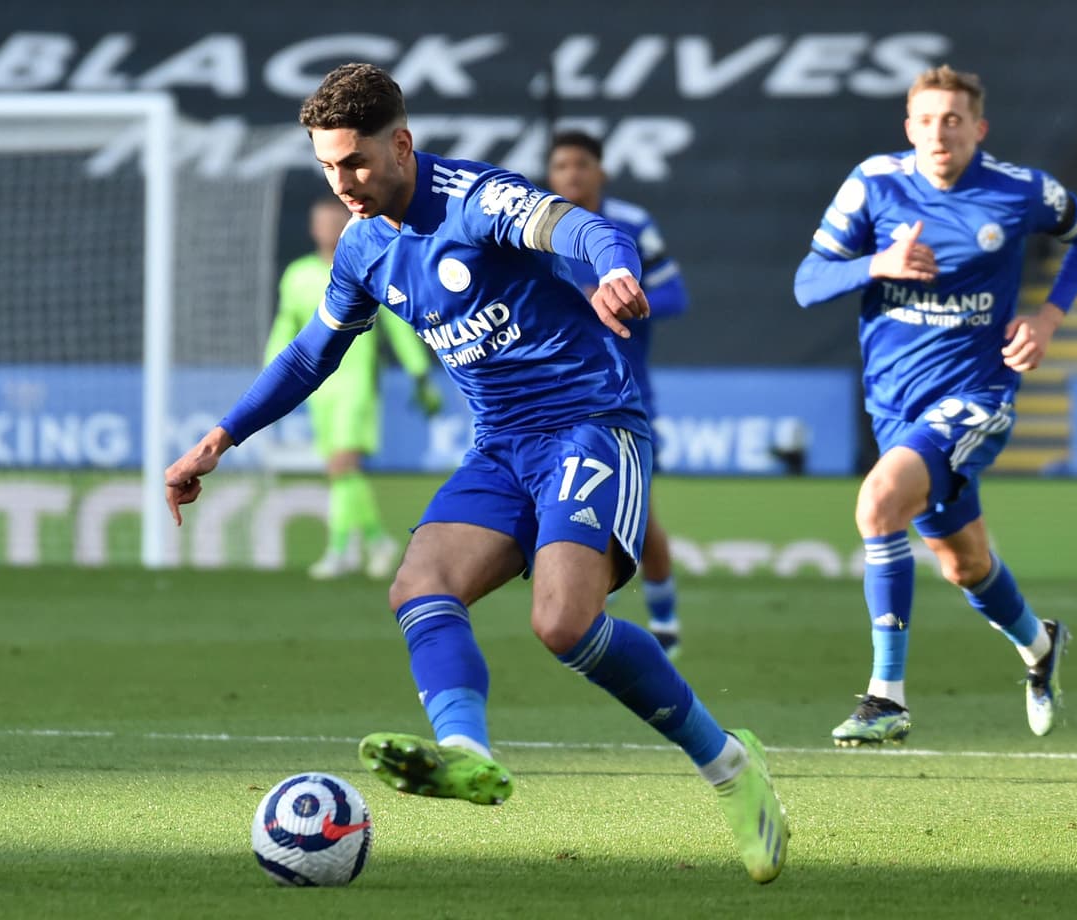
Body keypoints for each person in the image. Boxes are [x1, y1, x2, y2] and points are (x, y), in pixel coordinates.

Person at [165, 62, 787, 883]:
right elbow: (313, 353)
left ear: (402, 144)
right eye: (327, 165)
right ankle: (465, 753)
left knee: (563, 625)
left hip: (588, 427)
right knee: (418, 588)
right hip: (500, 447)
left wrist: (613, 271)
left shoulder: (477, 199)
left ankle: (730, 768)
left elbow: (580, 229)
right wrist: (222, 436)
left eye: (355, 160)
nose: (342, 180)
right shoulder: (362, 247)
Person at [793, 65, 1077, 746]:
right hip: (893, 405)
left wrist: (1050, 316)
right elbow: (808, 281)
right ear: (909, 127)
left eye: (954, 120)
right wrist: (877, 264)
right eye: (927, 120)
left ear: (979, 128)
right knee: (964, 563)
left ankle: (886, 698)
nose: (940, 132)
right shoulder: (874, 183)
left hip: (975, 395)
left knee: (878, 504)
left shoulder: (1020, 190)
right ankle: (1040, 646)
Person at [545, 131, 689, 659]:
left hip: (623, 390)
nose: (572, 174)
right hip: (553, 393)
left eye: (582, 164)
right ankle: (582, 617)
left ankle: (665, 619)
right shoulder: (536, 225)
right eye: (561, 165)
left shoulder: (629, 225)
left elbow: (676, 294)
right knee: (568, 508)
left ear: (601, 171)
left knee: (639, 512)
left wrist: (618, 294)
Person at [265, 196, 442, 579]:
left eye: (335, 221)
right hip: (317, 389)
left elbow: (395, 323)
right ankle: (377, 541)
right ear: (313, 229)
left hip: (355, 383)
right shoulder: (297, 275)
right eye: (322, 222)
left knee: (344, 463)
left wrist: (418, 372)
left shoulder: (363, 265)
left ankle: (341, 549)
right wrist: (271, 374)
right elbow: (286, 324)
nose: (329, 229)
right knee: (337, 469)